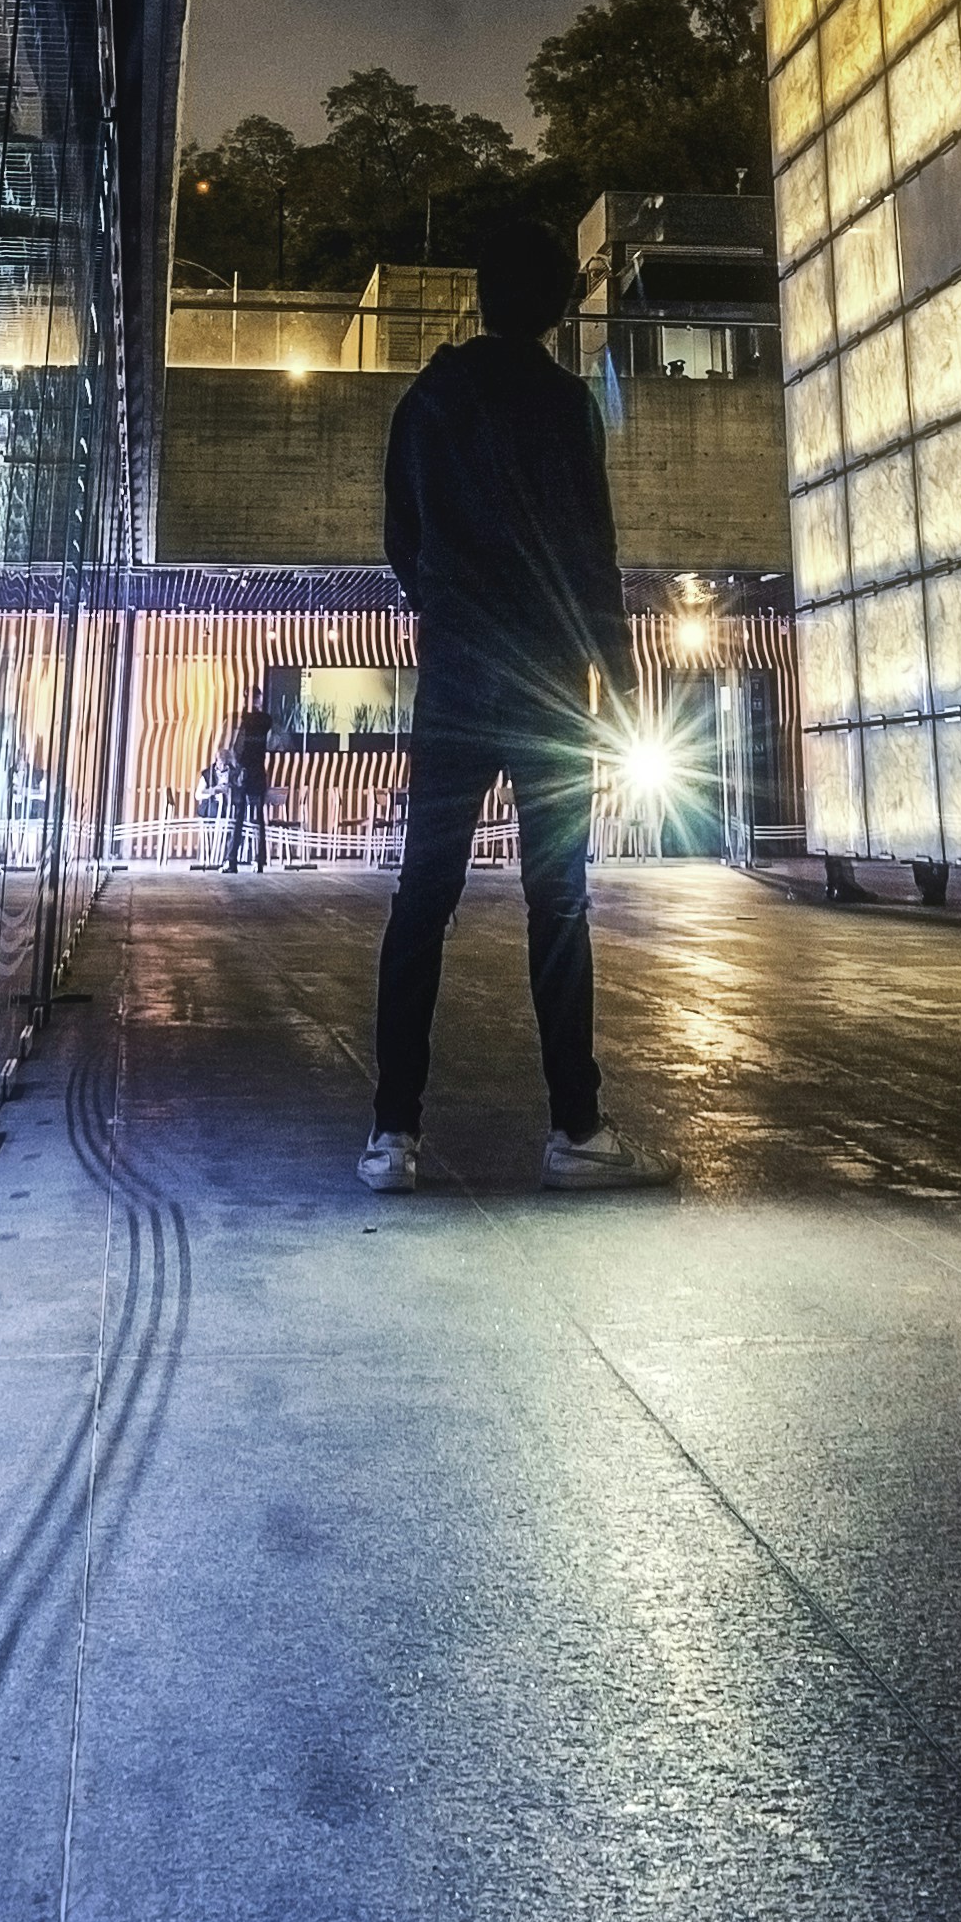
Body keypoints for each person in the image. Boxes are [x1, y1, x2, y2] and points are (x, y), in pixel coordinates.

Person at [363, 208, 643, 1192]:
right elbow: (593, 556)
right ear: (560, 306)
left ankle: (392, 1133)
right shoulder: (568, 407)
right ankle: (576, 1129)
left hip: (455, 677)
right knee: (557, 902)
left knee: (422, 897)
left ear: (481, 297)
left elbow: (402, 537)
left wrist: (444, 608)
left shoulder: (428, 401)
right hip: (549, 687)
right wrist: (620, 680)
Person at [221, 697, 271, 875]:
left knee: (239, 817)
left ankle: (231, 859)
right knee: (259, 819)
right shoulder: (266, 721)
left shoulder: (245, 722)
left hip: (244, 774)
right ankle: (259, 860)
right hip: (259, 773)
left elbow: (238, 749)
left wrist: (236, 767)